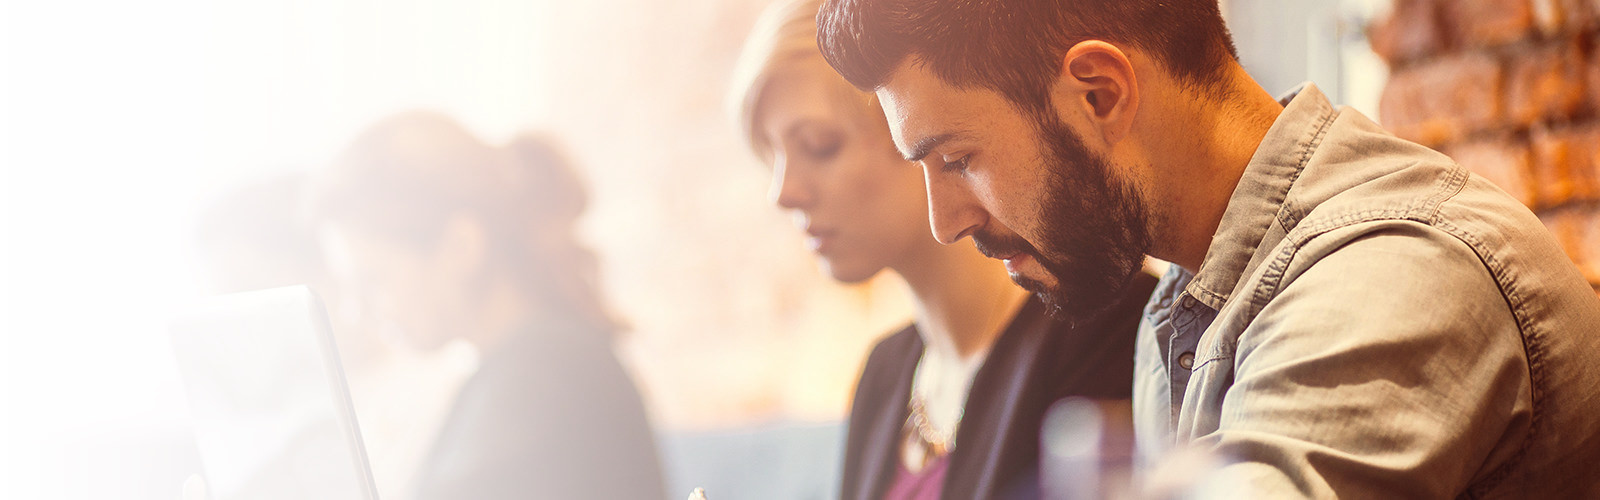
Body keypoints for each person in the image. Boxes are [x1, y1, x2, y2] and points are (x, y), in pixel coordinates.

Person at [814, 0, 1600, 497]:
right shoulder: (1185, 299)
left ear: (1100, 92)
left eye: (958, 160)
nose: (944, 221)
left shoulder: (1390, 273)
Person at [732, 1, 1157, 498]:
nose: (784, 192)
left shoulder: (1102, 330)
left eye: (820, 145)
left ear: (913, 126)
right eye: (771, 153)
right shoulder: (885, 372)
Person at [309, 112, 667, 500]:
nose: (356, 313)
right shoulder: (534, 366)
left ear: (462, 246)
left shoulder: (541, 379)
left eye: (373, 281)